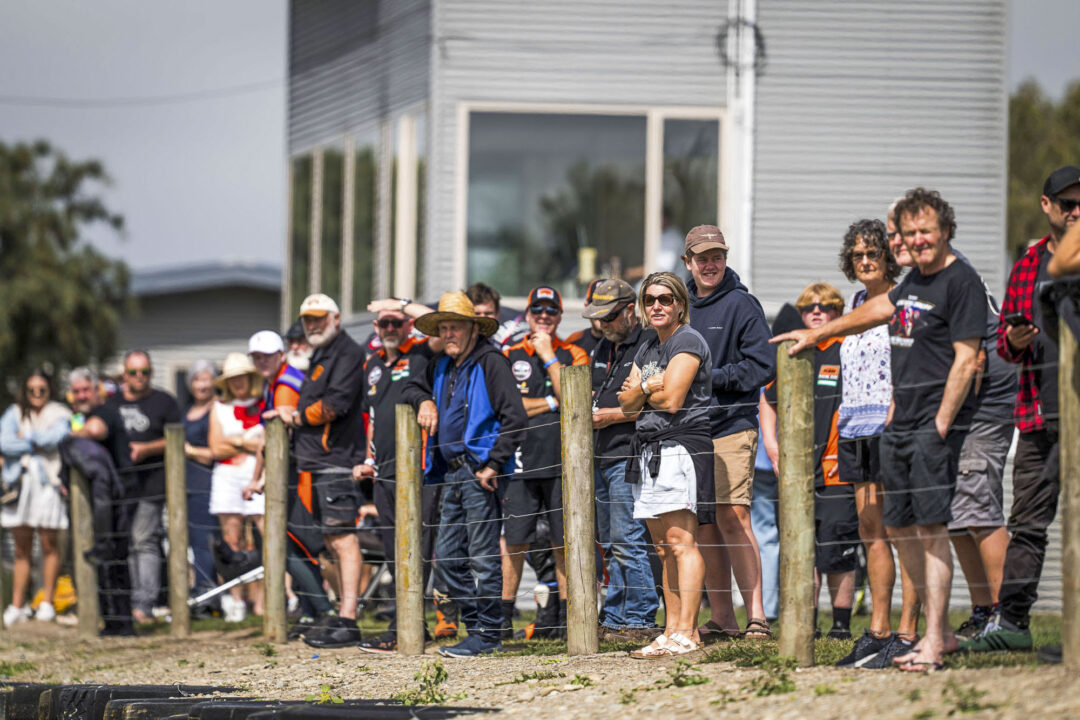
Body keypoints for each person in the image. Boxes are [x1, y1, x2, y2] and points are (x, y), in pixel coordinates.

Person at [776, 187, 986, 671]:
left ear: (944, 230)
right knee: (888, 527)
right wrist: (818, 333)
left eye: (922, 231)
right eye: (908, 233)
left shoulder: (954, 281)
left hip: (916, 424)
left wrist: (937, 423)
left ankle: (923, 634)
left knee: (921, 529)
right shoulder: (900, 289)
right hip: (876, 426)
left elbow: (966, 357)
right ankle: (907, 632)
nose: (914, 240)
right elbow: (875, 312)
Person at [964, 166, 1079, 652]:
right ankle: (1012, 624)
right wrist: (1012, 340)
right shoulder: (1028, 264)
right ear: (1046, 205)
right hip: (1035, 416)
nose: (1076, 211)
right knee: (1029, 523)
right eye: (1067, 203)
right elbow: (1008, 350)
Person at [403, 291, 528, 657]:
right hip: (451, 473)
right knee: (447, 560)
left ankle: (487, 634)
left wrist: (493, 462)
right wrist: (424, 400)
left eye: (455, 327)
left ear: (473, 328)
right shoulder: (442, 364)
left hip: (478, 473)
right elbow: (409, 387)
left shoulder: (492, 362)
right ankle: (480, 628)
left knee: (484, 558)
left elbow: (515, 418)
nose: (449, 334)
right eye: (444, 328)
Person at [831, 219, 922, 668]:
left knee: (904, 531)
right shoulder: (854, 302)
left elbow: (913, 356)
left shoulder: (903, 300)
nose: (866, 261)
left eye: (874, 253)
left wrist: (897, 408)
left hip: (891, 423)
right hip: (855, 427)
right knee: (871, 532)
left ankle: (908, 631)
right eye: (858, 255)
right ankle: (878, 630)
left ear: (889, 257)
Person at [682, 225, 775, 640]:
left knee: (733, 515)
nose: (710, 264)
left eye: (716, 255)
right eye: (702, 257)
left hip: (731, 426)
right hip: (687, 431)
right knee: (704, 525)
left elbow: (763, 366)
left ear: (725, 257)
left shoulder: (742, 305)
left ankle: (757, 616)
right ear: (688, 262)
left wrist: (709, 377)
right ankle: (723, 617)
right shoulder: (678, 304)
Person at [618, 272, 714, 658]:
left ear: (680, 305)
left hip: (680, 447)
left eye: (665, 299)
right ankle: (671, 629)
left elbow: (673, 398)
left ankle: (688, 632)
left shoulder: (687, 340)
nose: (657, 306)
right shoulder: (646, 348)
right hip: (649, 449)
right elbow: (626, 404)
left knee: (680, 542)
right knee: (661, 547)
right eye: (650, 300)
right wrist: (644, 389)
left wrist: (644, 391)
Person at [762, 284, 859, 640]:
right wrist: (772, 447)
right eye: (809, 308)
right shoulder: (796, 353)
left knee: (838, 553)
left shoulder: (846, 349)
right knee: (802, 550)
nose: (817, 312)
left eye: (826, 307)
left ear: (838, 312)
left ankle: (841, 625)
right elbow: (767, 400)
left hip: (837, 470)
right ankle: (808, 623)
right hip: (798, 472)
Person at [353, 304, 443, 654]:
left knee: (417, 550)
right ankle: (408, 625)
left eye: (397, 322)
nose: (390, 327)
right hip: (384, 471)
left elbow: (439, 329)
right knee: (393, 552)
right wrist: (368, 458)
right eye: (385, 322)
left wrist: (403, 304)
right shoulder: (371, 364)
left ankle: (407, 627)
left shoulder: (421, 352)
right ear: (376, 327)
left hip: (419, 468)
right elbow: (371, 417)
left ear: (408, 326)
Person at [501, 286, 589, 640]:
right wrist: (552, 402)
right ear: (527, 313)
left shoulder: (573, 353)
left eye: (551, 311)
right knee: (515, 542)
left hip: (562, 462)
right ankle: (504, 620)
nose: (544, 316)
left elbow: (576, 400)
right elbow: (511, 409)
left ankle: (568, 620)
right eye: (537, 310)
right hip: (520, 461)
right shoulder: (508, 354)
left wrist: (549, 357)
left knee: (563, 541)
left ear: (559, 315)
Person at [282, 293, 368, 648]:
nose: (313, 325)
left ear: (335, 318)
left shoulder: (347, 352)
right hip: (317, 463)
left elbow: (335, 404)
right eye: (307, 320)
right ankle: (341, 614)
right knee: (330, 542)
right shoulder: (320, 353)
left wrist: (296, 417)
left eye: (319, 318)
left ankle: (349, 619)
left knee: (343, 539)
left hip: (337, 461)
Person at [585, 279, 661, 642]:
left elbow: (653, 402)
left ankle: (642, 618)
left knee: (629, 540)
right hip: (600, 455)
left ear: (630, 310)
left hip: (627, 454)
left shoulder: (649, 344)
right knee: (612, 542)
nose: (603, 324)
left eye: (610, 316)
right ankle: (615, 619)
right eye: (598, 318)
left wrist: (609, 416)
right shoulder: (603, 345)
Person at [92, 350, 181, 624]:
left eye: (144, 372)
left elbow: (177, 438)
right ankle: (126, 602)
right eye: (133, 372)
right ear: (124, 374)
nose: (139, 377)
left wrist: (146, 449)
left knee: (144, 540)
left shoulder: (164, 402)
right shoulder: (111, 403)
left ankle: (143, 604)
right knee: (125, 542)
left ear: (151, 373)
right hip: (119, 486)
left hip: (151, 483)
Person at [65, 367, 135, 636]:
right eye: (77, 391)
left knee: (117, 558)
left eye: (86, 390)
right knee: (105, 560)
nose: (82, 395)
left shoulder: (106, 411)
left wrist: (68, 439)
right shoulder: (79, 417)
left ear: (97, 391)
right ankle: (111, 620)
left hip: (122, 496)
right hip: (102, 500)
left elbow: (95, 431)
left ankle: (124, 622)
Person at [1, 369, 72, 625]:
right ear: (25, 391)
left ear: (49, 389)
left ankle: (46, 601)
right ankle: (17, 604)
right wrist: (37, 443)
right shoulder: (14, 413)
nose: (37, 394)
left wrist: (27, 436)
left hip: (47, 486)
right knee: (21, 548)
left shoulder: (60, 413)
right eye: (32, 390)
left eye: (41, 389)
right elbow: (3, 441)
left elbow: (57, 438)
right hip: (18, 487)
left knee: (49, 544)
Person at [208, 353, 266, 622]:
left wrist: (238, 441)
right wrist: (248, 442)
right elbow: (215, 447)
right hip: (228, 476)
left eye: (242, 376)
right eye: (233, 378)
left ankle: (265, 599)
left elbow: (266, 444)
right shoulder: (218, 408)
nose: (238, 382)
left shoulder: (264, 402)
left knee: (265, 535)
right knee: (233, 541)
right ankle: (236, 599)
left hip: (258, 475)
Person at [182, 360, 219, 599]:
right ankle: (197, 590)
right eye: (197, 379)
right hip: (185, 484)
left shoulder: (217, 409)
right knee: (190, 542)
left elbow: (216, 451)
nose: (201, 385)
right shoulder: (186, 410)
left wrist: (189, 451)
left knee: (204, 541)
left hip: (206, 484)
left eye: (206, 379)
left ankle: (208, 593)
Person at [469, 282, 529, 350]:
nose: (483, 318)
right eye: (477, 314)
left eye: (488, 313)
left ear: (498, 314)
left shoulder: (511, 347)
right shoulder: (457, 347)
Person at [567, 278, 605, 357]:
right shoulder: (574, 341)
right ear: (586, 306)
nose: (600, 311)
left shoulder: (623, 343)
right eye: (596, 304)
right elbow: (565, 369)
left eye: (606, 304)